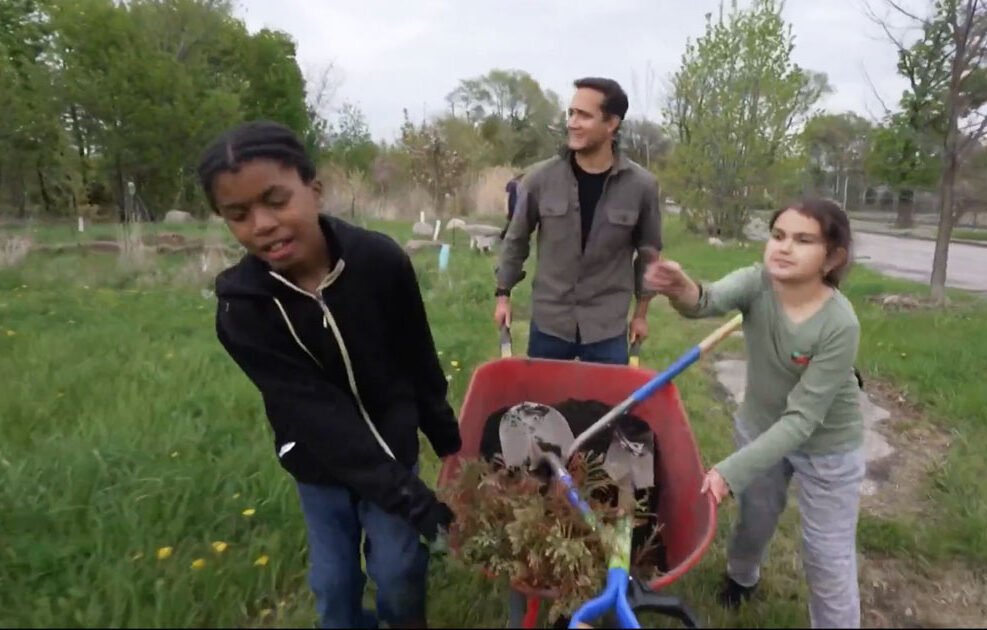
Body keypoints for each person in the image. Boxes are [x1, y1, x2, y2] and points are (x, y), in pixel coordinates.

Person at [201, 120, 459, 629]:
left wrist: (447, 440)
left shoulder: (381, 261)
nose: (262, 224)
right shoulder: (242, 309)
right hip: (317, 462)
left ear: (314, 190)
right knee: (334, 585)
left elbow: (418, 356)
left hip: (392, 446)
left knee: (399, 571)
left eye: (276, 201)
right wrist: (413, 499)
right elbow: (312, 413)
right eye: (239, 215)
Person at [644, 199, 865, 629]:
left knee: (828, 555)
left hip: (829, 448)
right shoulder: (755, 283)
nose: (784, 247)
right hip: (760, 427)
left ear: (833, 258)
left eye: (803, 240)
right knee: (755, 520)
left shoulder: (840, 324)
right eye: (778, 235)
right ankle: (742, 578)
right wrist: (681, 288)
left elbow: (802, 420)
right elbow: (704, 301)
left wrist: (730, 471)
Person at [493, 77, 662, 365]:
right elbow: (516, 240)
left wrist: (641, 315)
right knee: (545, 395)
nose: (572, 123)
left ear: (611, 123)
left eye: (584, 115)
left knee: (607, 396)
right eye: (571, 113)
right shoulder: (539, 179)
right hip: (550, 322)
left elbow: (649, 254)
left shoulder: (641, 187)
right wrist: (503, 296)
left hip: (607, 327)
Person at [499, 173, 523, 241]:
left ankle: (504, 236)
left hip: (514, 206)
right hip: (513, 206)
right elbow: (509, 198)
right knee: (512, 222)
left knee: (512, 222)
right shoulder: (514, 185)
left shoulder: (515, 185)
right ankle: (504, 236)